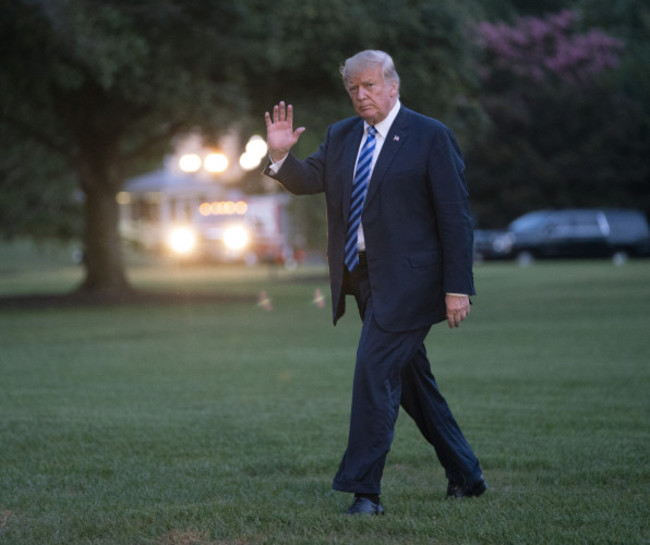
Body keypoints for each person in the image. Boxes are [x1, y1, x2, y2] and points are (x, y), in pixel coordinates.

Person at [264, 50, 486, 516]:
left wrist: (457, 286)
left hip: (413, 281)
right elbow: (308, 179)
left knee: (372, 371)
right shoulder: (342, 135)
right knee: (410, 383)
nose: (361, 96)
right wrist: (281, 155)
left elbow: (454, 217)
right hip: (362, 277)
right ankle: (466, 475)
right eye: (353, 89)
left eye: (369, 86)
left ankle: (365, 491)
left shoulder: (430, 136)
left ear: (392, 86)